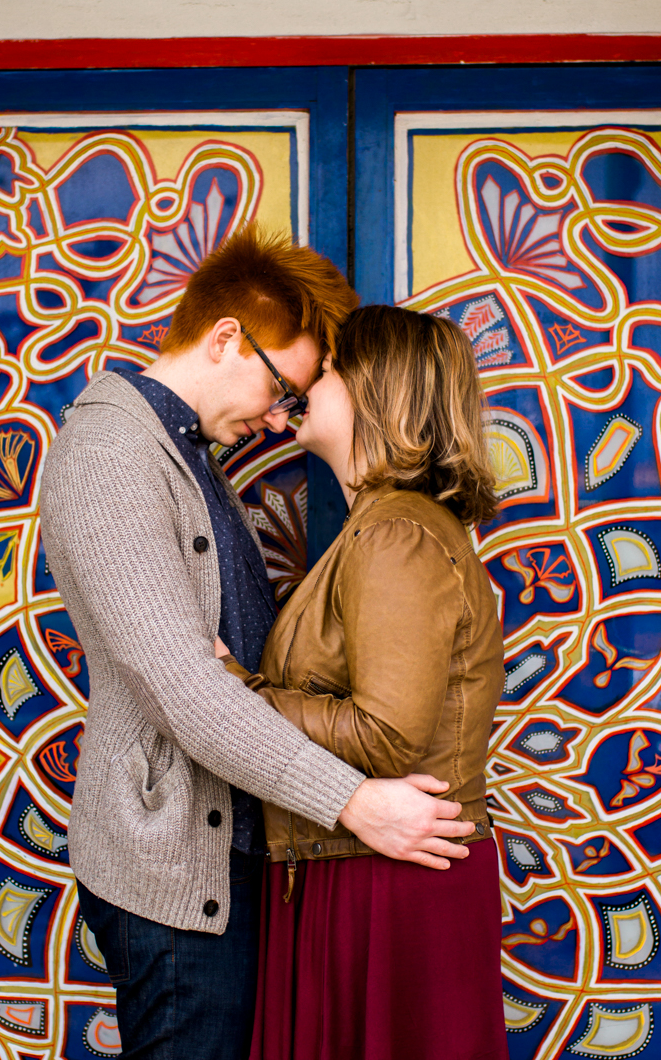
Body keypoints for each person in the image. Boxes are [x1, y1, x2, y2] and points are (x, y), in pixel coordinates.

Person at [39, 226, 476, 1060]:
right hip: (171, 875)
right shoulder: (111, 455)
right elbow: (187, 689)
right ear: (227, 338)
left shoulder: (185, 454)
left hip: (227, 869)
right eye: (282, 389)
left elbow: (224, 672)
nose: (282, 418)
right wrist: (352, 803)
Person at [219, 303, 509, 1060]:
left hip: (388, 883)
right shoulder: (389, 526)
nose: (310, 378)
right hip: (368, 865)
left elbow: (385, 737)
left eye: (332, 367)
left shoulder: (395, 533)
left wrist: (236, 694)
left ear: (374, 390)